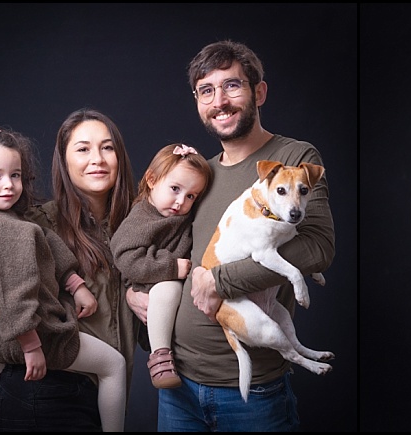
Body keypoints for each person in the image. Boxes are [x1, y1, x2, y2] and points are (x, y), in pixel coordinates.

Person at [125, 39, 335, 431]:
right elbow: (156, 242)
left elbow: (318, 248)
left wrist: (219, 281)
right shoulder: (197, 175)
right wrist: (133, 291)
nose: (219, 100)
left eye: (231, 86)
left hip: (254, 391)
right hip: (178, 387)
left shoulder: (296, 158)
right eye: (207, 91)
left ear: (260, 92)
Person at [0, 108, 141, 431]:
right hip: (49, 385)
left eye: (107, 147)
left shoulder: (137, 225)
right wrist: (1, 310)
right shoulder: (34, 221)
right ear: (64, 162)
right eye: (82, 149)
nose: (97, 158)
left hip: (98, 394)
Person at [110, 143, 212, 389]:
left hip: (179, 305)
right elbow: (125, 257)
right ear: (152, 180)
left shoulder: (179, 216)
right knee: (167, 288)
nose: (180, 202)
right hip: (151, 290)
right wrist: (172, 268)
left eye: (190, 196)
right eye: (175, 189)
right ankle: (160, 359)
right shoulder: (141, 217)